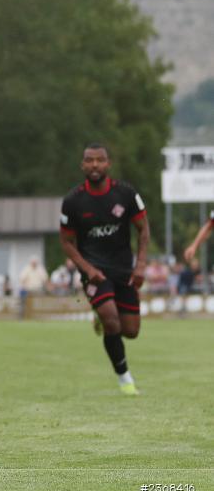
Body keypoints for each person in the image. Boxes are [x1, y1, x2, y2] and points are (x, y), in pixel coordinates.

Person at [59, 143, 149, 396]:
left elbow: (144, 229)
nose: (94, 165)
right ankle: (125, 379)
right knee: (112, 321)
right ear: (82, 165)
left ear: (108, 164)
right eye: (89, 160)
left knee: (130, 331)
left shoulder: (126, 194)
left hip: (124, 270)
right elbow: (66, 242)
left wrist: (141, 264)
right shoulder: (73, 201)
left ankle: (100, 315)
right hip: (94, 272)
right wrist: (87, 268)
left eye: (100, 160)